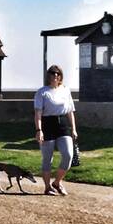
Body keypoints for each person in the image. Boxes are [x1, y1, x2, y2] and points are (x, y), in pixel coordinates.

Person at [34, 65, 78, 196]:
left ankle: (57, 182)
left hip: (63, 124)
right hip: (47, 124)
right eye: (53, 73)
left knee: (68, 155)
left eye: (58, 74)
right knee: (47, 158)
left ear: (61, 76)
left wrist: (74, 129)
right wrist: (39, 130)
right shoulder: (42, 92)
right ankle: (47, 187)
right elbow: (38, 113)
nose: (55, 76)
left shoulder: (66, 90)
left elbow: (70, 111)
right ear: (49, 76)